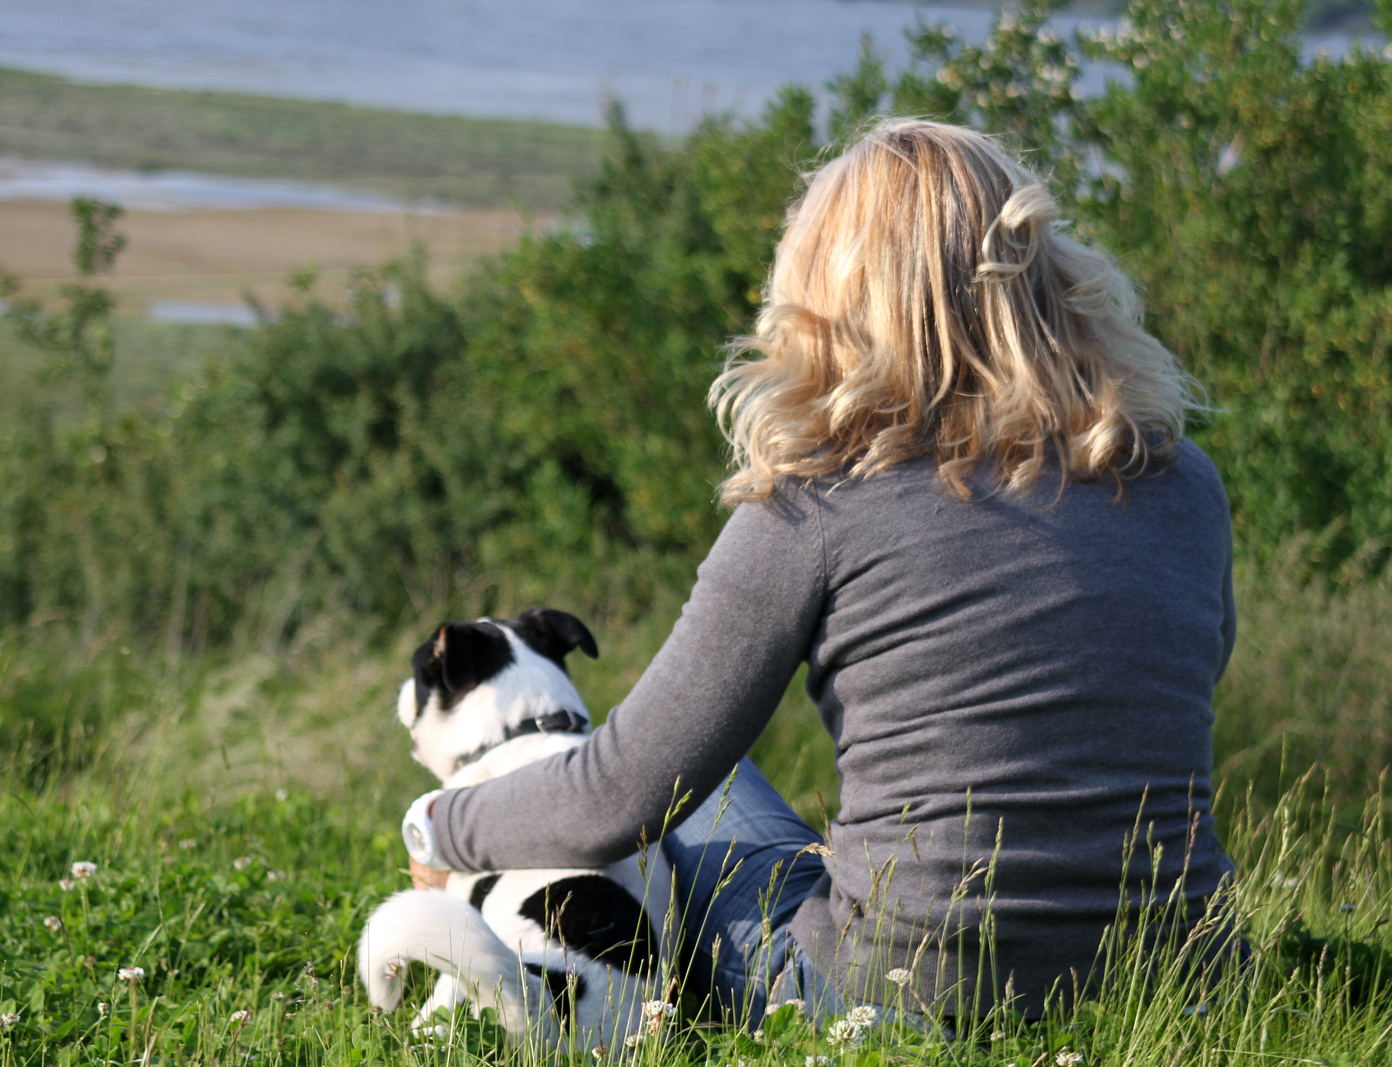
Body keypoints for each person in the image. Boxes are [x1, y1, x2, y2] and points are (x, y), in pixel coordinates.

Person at [400, 119, 1239, 1026]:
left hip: (900, 998)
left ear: (828, 300)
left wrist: (440, 823)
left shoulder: (813, 506)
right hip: (1179, 982)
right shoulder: (1181, 480)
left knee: (705, 781)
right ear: (1046, 274)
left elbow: (624, 793)